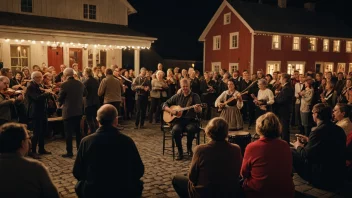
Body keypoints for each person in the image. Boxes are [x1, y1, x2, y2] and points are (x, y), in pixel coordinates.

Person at [73, 104, 144, 198]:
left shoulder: (86, 142)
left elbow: (77, 172)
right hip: (123, 191)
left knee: (79, 185)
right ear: (116, 120)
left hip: (94, 191)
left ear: (97, 120)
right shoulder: (127, 141)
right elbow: (139, 170)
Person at [172, 117, 242, 198]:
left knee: (176, 179)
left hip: (206, 194)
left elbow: (192, 177)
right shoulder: (236, 148)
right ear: (226, 132)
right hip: (229, 192)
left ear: (208, 131)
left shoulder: (201, 149)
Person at [292, 103, 346, 190]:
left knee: (291, 152)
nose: (312, 115)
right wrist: (309, 140)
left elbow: (306, 154)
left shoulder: (317, 131)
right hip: (337, 174)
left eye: (313, 113)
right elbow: (326, 146)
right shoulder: (339, 130)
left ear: (316, 114)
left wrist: (297, 146)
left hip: (322, 177)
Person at [241, 112, 294, 198]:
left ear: (259, 127)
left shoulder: (252, 147)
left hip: (259, 192)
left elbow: (244, 173)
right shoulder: (284, 144)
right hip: (285, 191)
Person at [0, 123, 60, 198]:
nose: (29, 141)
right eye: (28, 138)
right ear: (22, 143)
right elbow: (53, 195)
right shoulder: (36, 168)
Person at [163, 78, 202, 160]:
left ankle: (189, 148)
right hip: (179, 121)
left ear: (189, 86)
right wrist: (171, 111)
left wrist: (197, 109)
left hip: (191, 120)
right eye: (183, 86)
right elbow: (164, 104)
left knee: (190, 129)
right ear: (180, 87)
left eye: (186, 86)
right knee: (175, 130)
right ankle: (180, 151)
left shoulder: (195, 96)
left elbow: (200, 110)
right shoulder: (177, 96)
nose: (185, 88)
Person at [58, 68, 87, 158]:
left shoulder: (64, 85)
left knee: (68, 133)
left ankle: (69, 152)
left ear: (65, 75)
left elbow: (60, 98)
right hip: (78, 110)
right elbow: (85, 94)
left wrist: (60, 104)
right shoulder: (80, 84)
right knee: (78, 132)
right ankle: (79, 150)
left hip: (68, 111)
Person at [25, 71, 53, 158]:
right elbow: (36, 98)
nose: (39, 79)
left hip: (42, 111)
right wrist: (47, 93)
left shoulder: (40, 85)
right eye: (37, 77)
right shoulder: (31, 86)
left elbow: (43, 97)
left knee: (43, 131)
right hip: (35, 112)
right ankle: (33, 151)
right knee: (36, 132)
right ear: (33, 78)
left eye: (40, 77)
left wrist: (48, 94)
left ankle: (41, 148)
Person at [274, 73, 294, 143]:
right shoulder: (285, 87)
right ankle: (283, 141)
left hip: (284, 110)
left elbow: (283, 99)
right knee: (283, 128)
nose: (279, 79)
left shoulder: (287, 88)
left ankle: (285, 143)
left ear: (285, 79)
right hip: (283, 110)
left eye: (280, 78)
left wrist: (275, 99)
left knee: (284, 128)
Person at [83, 68, 100, 134]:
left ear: (86, 73)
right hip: (96, 101)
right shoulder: (96, 80)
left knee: (89, 119)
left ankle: (92, 133)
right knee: (95, 118)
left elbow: (84, 93)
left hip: (88, 102)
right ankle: (97, 132)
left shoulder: (85, 82)